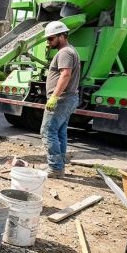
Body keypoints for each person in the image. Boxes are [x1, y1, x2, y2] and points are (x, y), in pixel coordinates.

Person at [40, 21, 81, 178]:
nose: (48, 42)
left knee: (47, 131)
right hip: (68, 98)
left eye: (51, 38)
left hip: (62, 99)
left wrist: (54, 97)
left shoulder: (65, 52)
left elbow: (65, 74)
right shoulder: (70, 51)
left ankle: (56, 168)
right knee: (60, 132)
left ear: (62, 36)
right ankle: (59, 165)